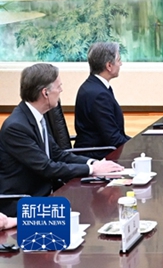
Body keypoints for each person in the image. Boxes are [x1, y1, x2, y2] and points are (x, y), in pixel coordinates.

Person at [0, 63, 123, 217]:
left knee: (91, 206)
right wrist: (92, 170)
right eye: (59, 86)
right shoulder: (16, 127)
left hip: (47, 193)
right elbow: (47, 167)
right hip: (25, 202)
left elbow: (58, 154)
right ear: (45, 92)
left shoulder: (37, 116)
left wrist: (94, 163)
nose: (61, 90)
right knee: (85, 219)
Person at [74, 42, 130, 158]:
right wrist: (139, 147)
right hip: (98, 155)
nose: (121, 64)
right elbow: (113, 138)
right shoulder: (98, 94)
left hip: (102, 149)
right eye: (119, 60)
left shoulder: (95, 87)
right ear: (109, 66)